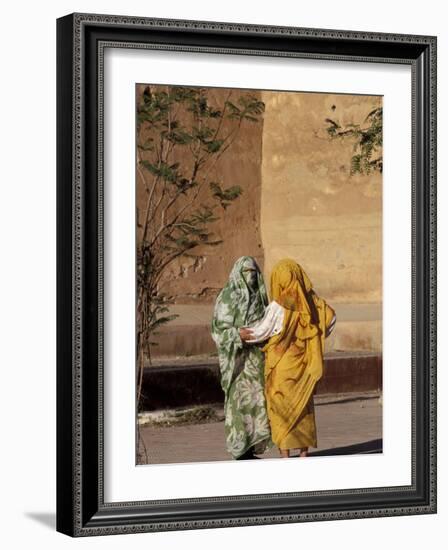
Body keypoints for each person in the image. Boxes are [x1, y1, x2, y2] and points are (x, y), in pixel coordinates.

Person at [242, 258, 336, 458]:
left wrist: (239, 333)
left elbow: (261, 332)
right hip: (305, 366)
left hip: (282, 367)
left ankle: (285, 454)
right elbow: (331, 318)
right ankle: (303, 453)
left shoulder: (279, 306)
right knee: (304, 408)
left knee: (280, 408)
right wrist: (319, 336)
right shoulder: (315, 302)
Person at [211, 256, 272, 460]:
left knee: (257, 403)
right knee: (238, 404)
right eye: (247, 273)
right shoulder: (227, 298)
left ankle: (252, 448)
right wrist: (238, 335)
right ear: (238, 274)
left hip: (256, 360)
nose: (251, 277)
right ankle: (239, 451)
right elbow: (217, 331)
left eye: (254, 272)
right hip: (236, 363)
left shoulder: (260, 297)